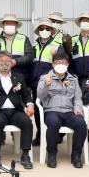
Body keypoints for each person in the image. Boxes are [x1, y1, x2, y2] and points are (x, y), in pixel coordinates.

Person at [0, 51, 35, 169]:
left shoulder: (18, 76)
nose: (4, 63)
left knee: (27, 122)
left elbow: (26, 95)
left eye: (7, 61)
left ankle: (25, 155)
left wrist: (30, 105)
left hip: (15, 111)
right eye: (1, 61)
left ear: (11, 63)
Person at [36, 53, 86, 168]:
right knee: (54, 123)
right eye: (58, 63)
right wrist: (46, 85)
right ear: (53, 64)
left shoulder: (73, 79)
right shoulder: (45, 77)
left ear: (67, 64)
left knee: (81, 124)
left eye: (63, 63)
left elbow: (78, 97)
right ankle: (52, 154)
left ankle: (76, 155)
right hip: (52, 110)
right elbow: (40, 96)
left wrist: (78, 108)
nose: (61, 65)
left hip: (69, 111)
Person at [30, 18, 62, 147]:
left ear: (51, 31)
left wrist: (56, 54)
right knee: (38, 109)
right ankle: (40, 134)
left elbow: (62, 63)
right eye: (42, 28)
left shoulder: (57, 45)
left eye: (47, 29)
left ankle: (53, 134)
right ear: (38, 31)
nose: (44, 30)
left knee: (51, 109)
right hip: (35, 82)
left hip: (51, 82)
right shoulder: (34, 45)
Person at [0, 13, 34, 81]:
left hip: (19, 75)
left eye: (12, 23)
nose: (9, 25)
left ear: (16, 25)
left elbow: (30, 56)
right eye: (7, 23)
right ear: (3, 25)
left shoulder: (23, 38)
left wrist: (16, 61)